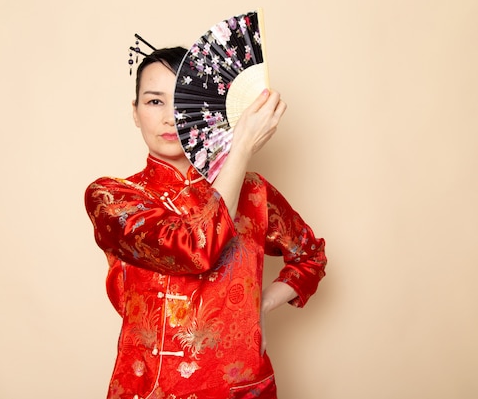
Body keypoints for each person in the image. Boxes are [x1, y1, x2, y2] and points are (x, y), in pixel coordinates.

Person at [84, 46, 327, 399]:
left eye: (182, 101)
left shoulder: (254, 192)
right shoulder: (112, 197)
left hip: (242, 388)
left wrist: (259, 306)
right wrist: (241, 148)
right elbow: (195, 247)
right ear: (134, 112)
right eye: (154, 102)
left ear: (207, 111)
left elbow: (310, 257)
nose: (170, 118)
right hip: (149, 388)